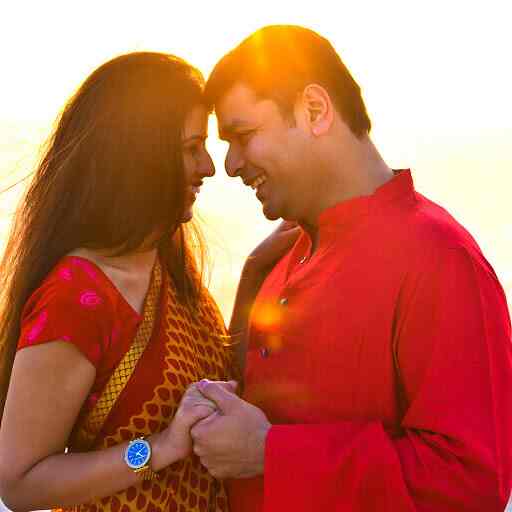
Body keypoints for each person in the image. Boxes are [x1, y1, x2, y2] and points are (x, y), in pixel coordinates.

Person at [188, 25, 512, 511]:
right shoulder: (284, 258)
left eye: (244, 135)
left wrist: (271, 452)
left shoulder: (439, 260)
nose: (230, 165)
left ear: (314, 110)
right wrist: (252, 280)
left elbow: (470, 483)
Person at [0, 51, 297, 512]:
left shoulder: (165, 261)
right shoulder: (77, 297)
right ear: (139, 156)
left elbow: (223, 379)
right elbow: (19, 482)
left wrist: (254, 273)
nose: (208, 167)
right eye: (191, 148)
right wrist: (159, 448)